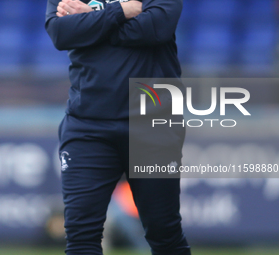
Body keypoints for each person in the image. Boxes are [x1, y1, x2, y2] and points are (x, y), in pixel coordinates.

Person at [45, 0, 191, 254]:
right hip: (87, 126)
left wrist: (91, 22)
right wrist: (121, 11)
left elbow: (156, 28)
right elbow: (62, 34)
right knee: (81, 236)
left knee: (163, 232)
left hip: (152, 124)